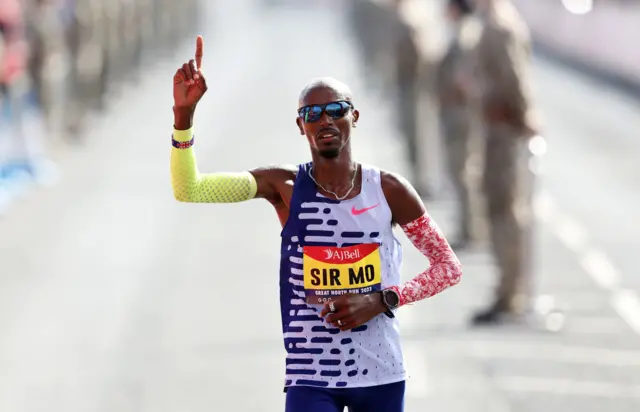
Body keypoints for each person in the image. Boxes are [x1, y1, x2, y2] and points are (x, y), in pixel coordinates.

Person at [169, 36, 463, 412]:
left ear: (353, 117)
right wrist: (183, 119)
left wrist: (383, 299)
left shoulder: (389, 190)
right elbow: (190, 189)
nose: (325, 120)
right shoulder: (285, 187)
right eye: (312, 113)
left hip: (381, 375)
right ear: (300, 125)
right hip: (311, 377)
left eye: (335, 109)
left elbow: (448, 268)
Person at [470, 0, 539, 325]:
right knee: (497, 206)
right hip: (496, 128)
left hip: (503, 130)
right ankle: (507, 290)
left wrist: (525, 117)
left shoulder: (500, 26)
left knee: (505, 209)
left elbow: (515, 78)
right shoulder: (493, 23)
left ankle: (511, 294)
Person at [435, 0, 481, 250]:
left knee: (462, 170)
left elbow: (464, 80)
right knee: (460, 170)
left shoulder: (464, 36)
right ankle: (469, 226)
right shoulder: (465, 32)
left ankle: (471, 228)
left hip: (460, 114)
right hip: (457, 112)